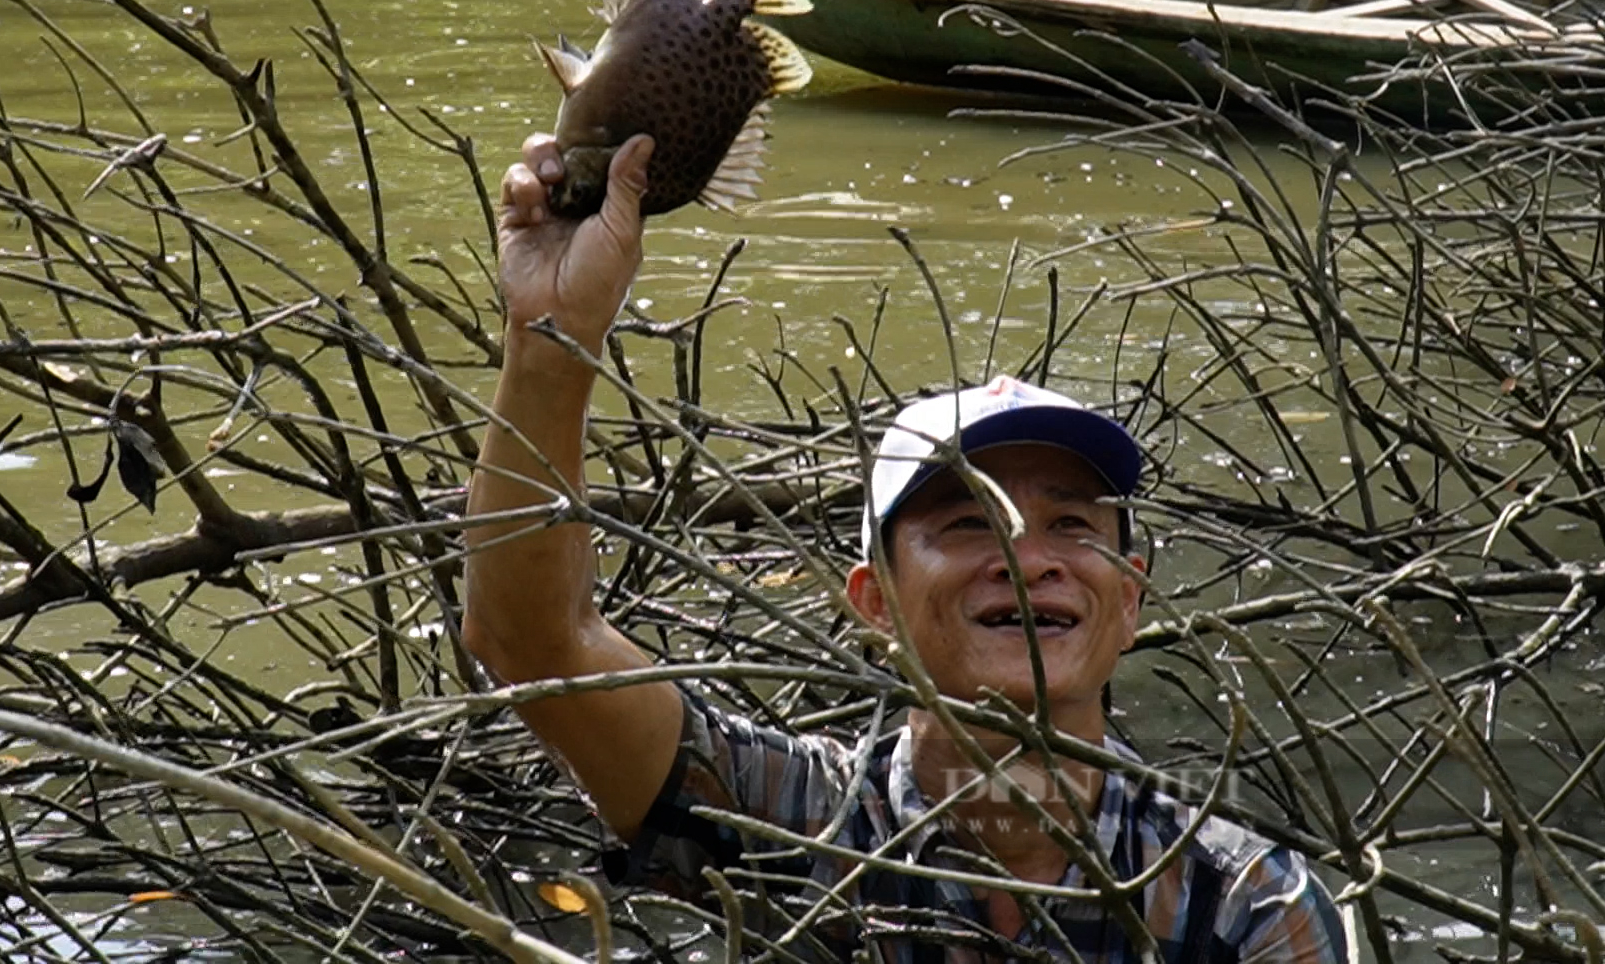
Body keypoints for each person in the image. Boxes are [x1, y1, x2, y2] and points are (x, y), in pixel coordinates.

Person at [462, 132, 1347, 962]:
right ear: (874, 602)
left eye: (1071, 525)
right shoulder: (798, 818)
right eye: (969, 524)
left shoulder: (1242, 900)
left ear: (1128, 600)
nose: (1028, 556)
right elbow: (534, 642)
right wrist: (552, 338)